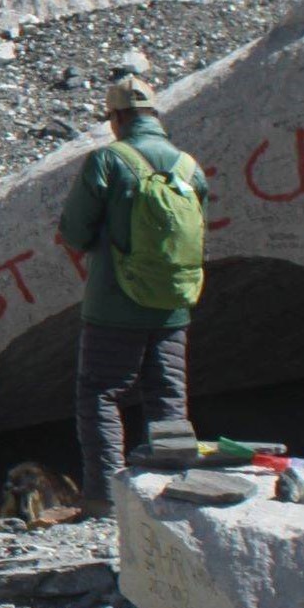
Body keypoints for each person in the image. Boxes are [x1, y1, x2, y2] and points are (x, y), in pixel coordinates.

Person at [58, 75, 208, 513]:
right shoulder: (189, 167)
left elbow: (74, 231)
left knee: (101, 393)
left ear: (118, 118)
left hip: (113, 304)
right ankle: (171, 493)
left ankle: (105, 499)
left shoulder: (108, 160)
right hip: (173, 303)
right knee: (166, 394)